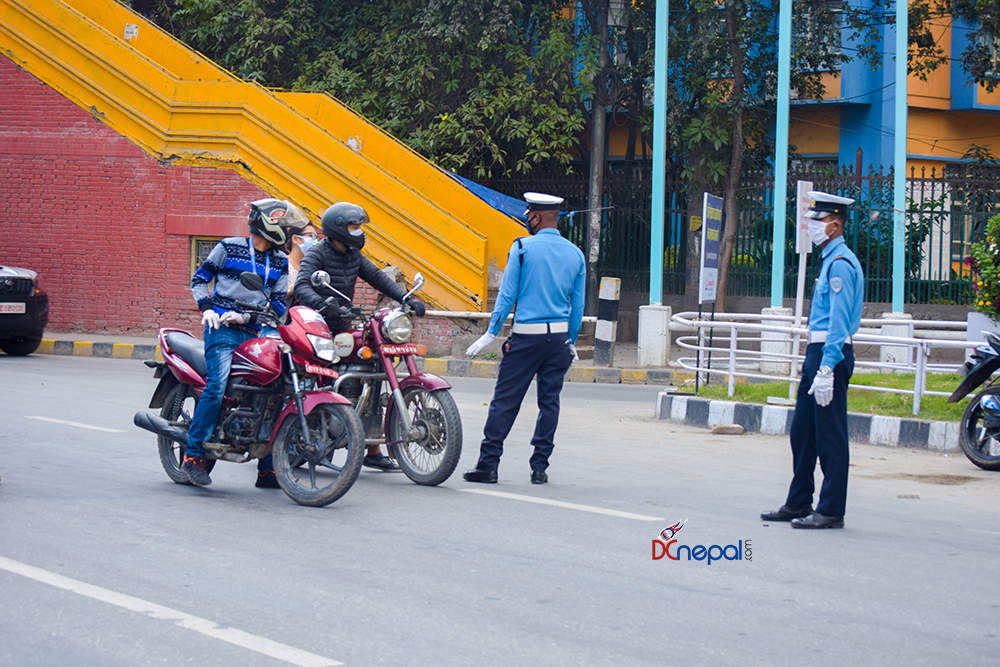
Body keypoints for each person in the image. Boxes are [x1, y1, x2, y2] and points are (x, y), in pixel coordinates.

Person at [292, 201, 426, 472]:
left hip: (341, 324)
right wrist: (321, 302)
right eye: (354, 227)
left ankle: (372, 448)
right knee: (319, 379)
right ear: (338, 229)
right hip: (316, 326)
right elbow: (302, 285)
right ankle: (308, 435)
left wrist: (407, 298)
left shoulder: (353, 254)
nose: (359, 232)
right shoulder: (317, 253)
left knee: (371, 366)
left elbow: (377, 277)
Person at [183, 198, 307, 488]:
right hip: (222, 331)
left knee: (277, 388)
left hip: (255, 334)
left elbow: (278, 304)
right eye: (286, 228)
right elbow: (200, 280)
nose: (290, 234)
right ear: (269, 225)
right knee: (217, 386)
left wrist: (252, 317)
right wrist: (209, 310)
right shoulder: (228, 247)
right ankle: (193, 455)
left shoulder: (278, 261)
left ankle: (267, 469)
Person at [462, 192, 586, 485]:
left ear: (536, 217)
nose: (526, 218)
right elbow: (578, 304)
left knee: (505, 401)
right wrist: (571, 338)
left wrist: (491, 333)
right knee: (549, 403)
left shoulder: (521, 248)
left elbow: (507, 296)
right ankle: (540, 468)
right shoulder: (575, 254)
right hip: (557, 341)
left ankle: (488, 465)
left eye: (528, 214)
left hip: (526, 338)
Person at [761, 191, 864, 529]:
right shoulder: (828, 260)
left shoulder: (840, 264)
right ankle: (798, 502)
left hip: (829, 355)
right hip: (817, 352)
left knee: (830, 435)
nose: (811, 226)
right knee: (802, 432)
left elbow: (838, 321)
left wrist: (826, 368)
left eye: (817, 221)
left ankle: (832, 509)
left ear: (834, 226)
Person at [284, 220, 323, 303]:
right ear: (295, 239)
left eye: (317, 238)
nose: (315, 241)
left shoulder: (313, 267)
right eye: (311, 236)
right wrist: (295, 289)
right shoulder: (283, 264)